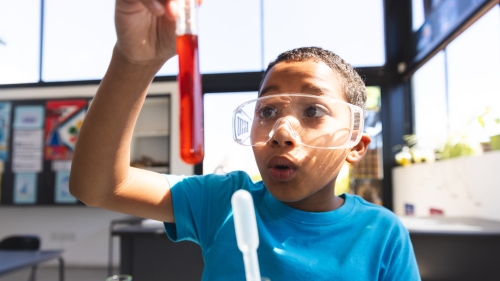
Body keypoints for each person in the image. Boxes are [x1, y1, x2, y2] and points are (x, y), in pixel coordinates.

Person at [69, 0, 421, 280]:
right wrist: (134, 60)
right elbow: (97, 186)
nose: (281, 132)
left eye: (313, 111)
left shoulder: (381, 234)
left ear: (356, 145)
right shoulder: (225, 202)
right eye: (267, 112)